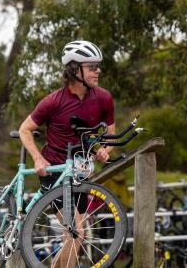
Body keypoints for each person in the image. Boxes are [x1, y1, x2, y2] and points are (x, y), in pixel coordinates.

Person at [19, 40, 115, 267]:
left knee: (73, 235)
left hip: (80, 173)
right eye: (92, 66)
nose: (98, 70)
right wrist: (37, 157)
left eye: (98, 66)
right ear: (75, 69)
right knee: (76, 232)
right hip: (54, 171)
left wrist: (104, 150)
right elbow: (25, 129)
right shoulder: (53, 101)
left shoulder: (103, 98)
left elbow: (110, 136)